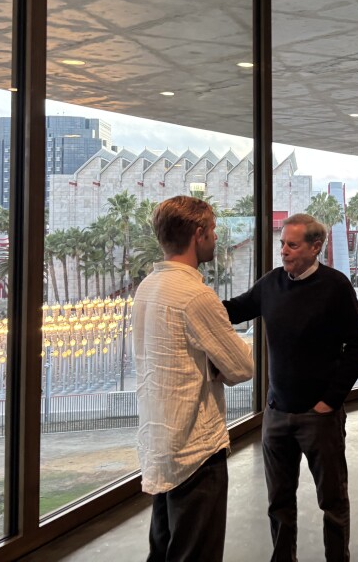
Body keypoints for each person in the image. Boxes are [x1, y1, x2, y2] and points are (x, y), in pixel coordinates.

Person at [224, 213, 358, 561]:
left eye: (292, 244)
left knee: (332, 501)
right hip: (276, 415)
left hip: (319, 417)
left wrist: (330, 401)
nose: (284, 251)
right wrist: (193, 298)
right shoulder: (271, 283)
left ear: (315, 247)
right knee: (279, 502)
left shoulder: (336, 286)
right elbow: (235, 309)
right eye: (282, 244)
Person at [133, 196, 254, 562]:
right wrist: (214, 363)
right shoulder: (196, 295)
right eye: (214, 230)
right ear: (198, 234)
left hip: (161, 445)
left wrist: (208, 361)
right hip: (196, 450)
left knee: (164, 549)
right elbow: (242, 366)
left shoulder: (147, 289)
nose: (216, 238)